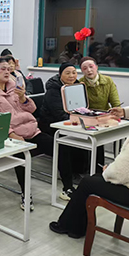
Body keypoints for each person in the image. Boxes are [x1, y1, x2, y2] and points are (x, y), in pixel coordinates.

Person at [50, 87, 129, 238]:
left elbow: (123, 172)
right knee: (94, 179)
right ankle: (74, 228)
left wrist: (108, 171)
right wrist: (110, 171)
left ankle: (68, 226)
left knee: (87, 183)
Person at [0, 58, 72, 209]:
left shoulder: (15, 87)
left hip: (31, 130)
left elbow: (32, 109)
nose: (7, 72)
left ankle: (68, 188)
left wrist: (23, 98)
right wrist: (11, 134)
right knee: (22, 156)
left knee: (61, 147)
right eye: (2, 69)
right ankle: (26, 194)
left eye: (8, 69)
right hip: (12, 135)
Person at [38, 62, 79, 199]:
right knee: (65, 145)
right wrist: (77, 120)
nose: (71, 76)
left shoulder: (77, 87)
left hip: (69, 122)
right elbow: (58, 114)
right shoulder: (53, 90)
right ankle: (68, 185)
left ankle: (86, 172)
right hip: (51, 125)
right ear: (60, 74)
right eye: (67, 73)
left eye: (74, 72)